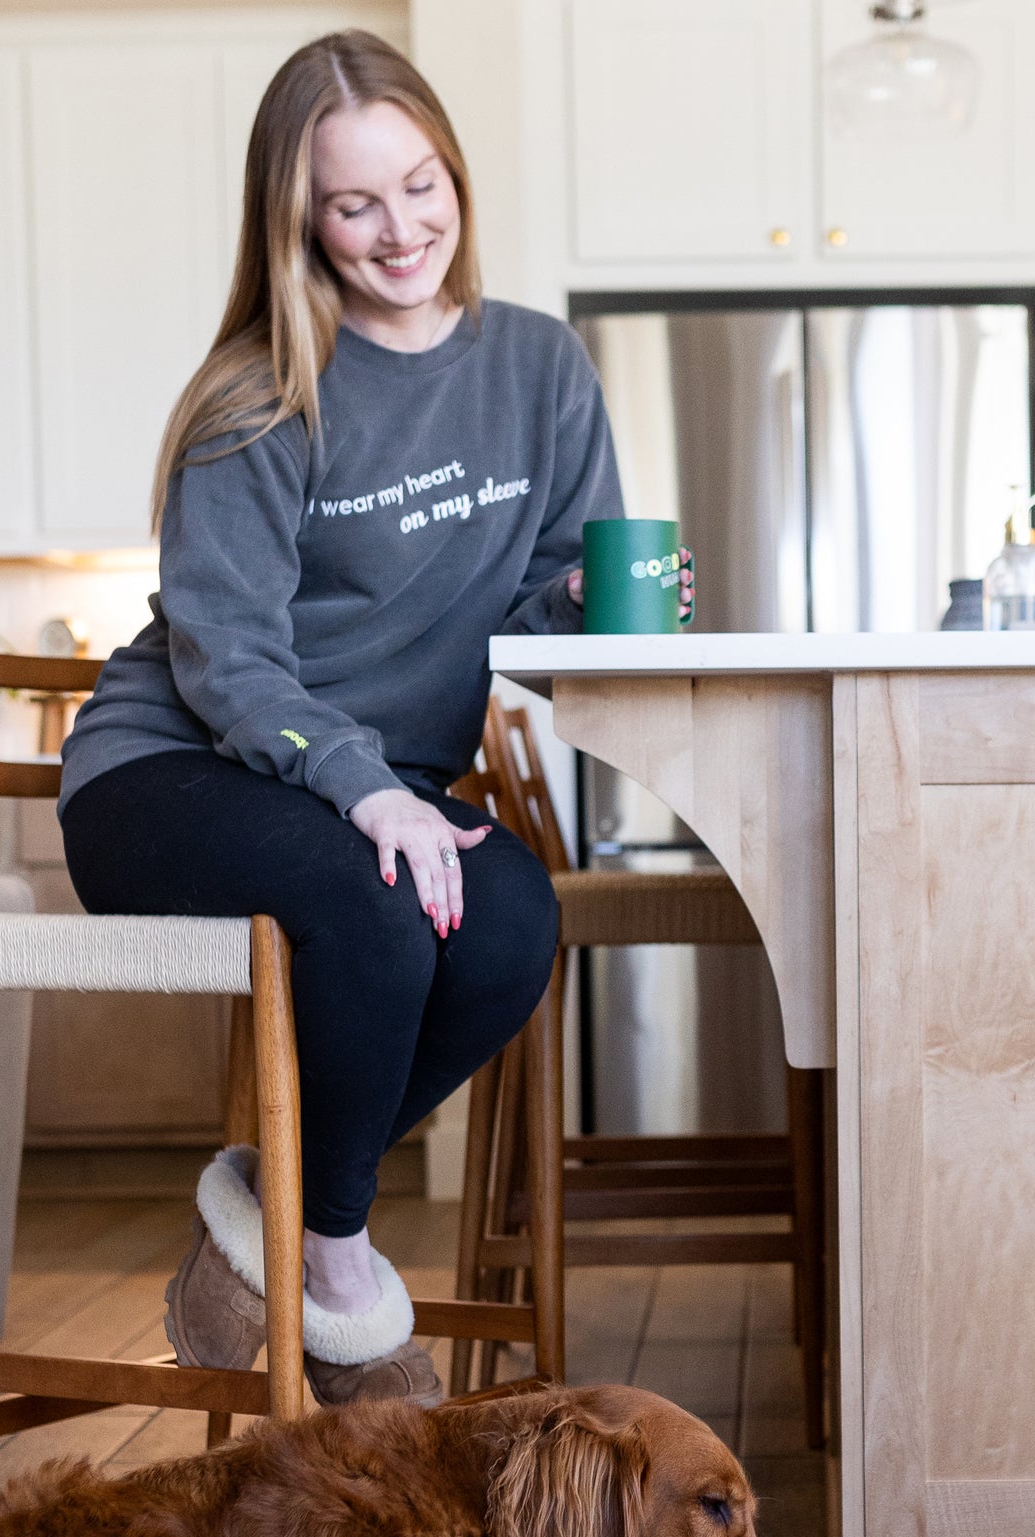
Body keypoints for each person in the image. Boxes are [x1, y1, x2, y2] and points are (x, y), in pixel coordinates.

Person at [59, 31, 687, 1404]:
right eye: (354, 205)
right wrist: (367, 787)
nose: (399, 230)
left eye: (420, 187)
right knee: (381, 899)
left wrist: (598, 600)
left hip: (362, 789)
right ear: (301, 220)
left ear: (453, 174)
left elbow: (532, 596)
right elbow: (225, 657)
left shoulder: (538, 367)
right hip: (168, 774)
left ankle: (259, 1212)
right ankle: (336, 1278)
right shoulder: (258, 390)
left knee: (514, 918)